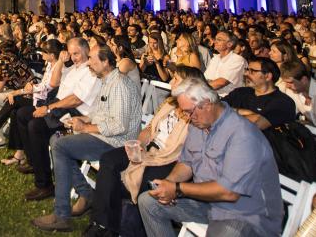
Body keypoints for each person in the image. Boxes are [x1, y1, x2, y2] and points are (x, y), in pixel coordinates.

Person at [139, 77, 284, 237]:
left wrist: (178, 189)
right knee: (148, 202)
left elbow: (229, 192)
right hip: (208, 203)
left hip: (245, 212)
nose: (187, 117)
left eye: (189, 111)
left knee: (225, 232)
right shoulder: (198, 125)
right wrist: (168, 185)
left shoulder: (242, 134)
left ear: (207, 104)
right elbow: (187, 163)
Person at [31, 46, 142, 232]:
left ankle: (61, 215)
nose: (89, 62)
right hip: (104, 135)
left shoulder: (120, 84)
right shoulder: (107, 80)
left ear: (106, 62)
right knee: (56, 141)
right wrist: (84, 119)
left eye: (92, 59)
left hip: (116, 143)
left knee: (60, 146)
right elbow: (100, 113)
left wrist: (86, 127)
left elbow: (119, 126)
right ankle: (85, 193)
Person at [82, 65, 202, 237]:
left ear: (190, 85)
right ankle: (102, 224)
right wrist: (139, 143)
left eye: (176, 79)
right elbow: (150, 128)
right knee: (109, 159)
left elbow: (187, 152)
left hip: (170, 158)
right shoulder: (169, 103)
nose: (171, 81)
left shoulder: (195, 113)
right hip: (149, 148)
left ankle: (127, 226)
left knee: (143, 179)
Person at [16, 37, 101, 201]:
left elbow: (75, 100)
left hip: (75, 113)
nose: (74, 57)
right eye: (71, 54)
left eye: (76, 53)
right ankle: (35, 163)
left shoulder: (91, 71)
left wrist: (48, 109)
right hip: (58, 106)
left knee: (35, 126)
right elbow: (56, 83)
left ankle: (45, 184)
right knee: (22, 115)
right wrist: (62, 61)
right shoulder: (74, 68)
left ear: (86, 50)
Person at [223, 58, 296, 130]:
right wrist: (245, 112)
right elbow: (216, 108)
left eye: (252, 71)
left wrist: (228, 112)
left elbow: (256, 124)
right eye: (247, 70)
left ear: (267, 76)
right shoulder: (239, 92)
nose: (246, 74)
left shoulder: (283, 102)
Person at [203, 30, 246, 96]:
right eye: (215, 39)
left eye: (219, 40)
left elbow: (221, 83)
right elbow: (206, 78)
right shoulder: (215, 58)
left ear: (229, 44)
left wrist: (199, 87)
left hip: (228, 99)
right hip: (211, 95)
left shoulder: (237, 60)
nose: (215, 42)